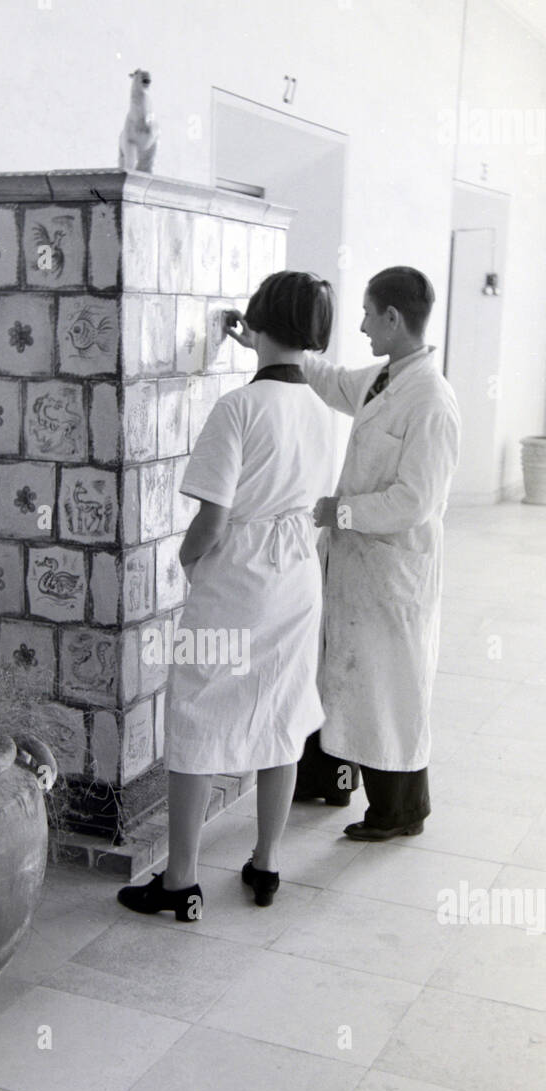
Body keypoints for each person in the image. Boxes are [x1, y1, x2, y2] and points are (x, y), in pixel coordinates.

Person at [117, 271, 335, 920]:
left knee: (197, 714)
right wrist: (264, 347)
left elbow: (211, 522)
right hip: (298, 578)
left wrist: (185, 561)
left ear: (259, 322)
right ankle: (265, 864)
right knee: (280, 713)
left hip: (236, 581)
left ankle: (180, 879)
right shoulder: (322, 409)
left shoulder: (236, 408)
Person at [235, 266, 460, 840]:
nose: (359, 325)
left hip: (393, 567)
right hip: (357, 562)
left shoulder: (431, 399)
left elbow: (415, 500)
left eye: (366, 314)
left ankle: (400, 811)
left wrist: (343, 512)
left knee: (388, 688)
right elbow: (332, 382)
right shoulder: (387, 377)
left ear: (392, 318)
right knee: (342, 674)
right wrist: (265, 341)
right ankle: (330, 779)